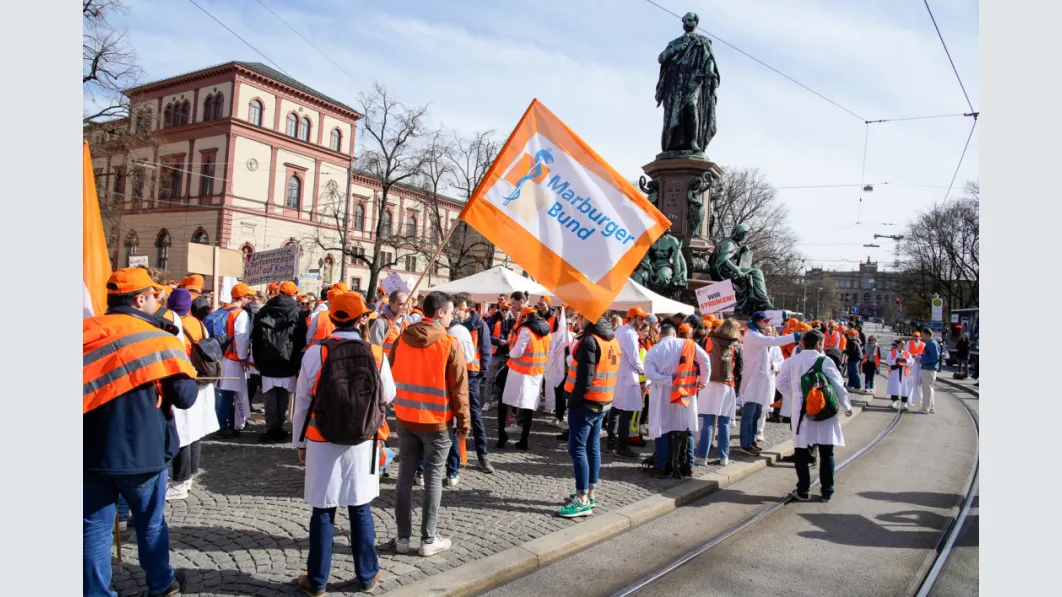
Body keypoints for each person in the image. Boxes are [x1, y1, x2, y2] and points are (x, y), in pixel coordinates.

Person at [84, 268, 199, 597]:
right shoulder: (160, 340)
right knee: (150, 523)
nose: (159, 302)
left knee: (93, 528)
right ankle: (161, 584)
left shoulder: (82, 332)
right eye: (155, 296)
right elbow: (186, 398)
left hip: (89, 450)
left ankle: (94, 591)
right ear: (140, 299)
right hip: (144, 452)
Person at [292, 292, 393, 596]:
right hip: (363, 440)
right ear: (362, 318)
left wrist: (299, 442)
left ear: (332, 316)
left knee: (323, 510)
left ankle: (318, 580)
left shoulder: (315, 353)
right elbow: (389, 395)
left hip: (322, 439)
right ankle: (367, 575)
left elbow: (302, 403)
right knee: (360, 508)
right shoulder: (376, 353)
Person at [387, 291, 470, 557]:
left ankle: (402, 538)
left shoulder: (402, 339)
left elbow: (388, 374)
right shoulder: (449, 343)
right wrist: (464, 423)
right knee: (433, 479)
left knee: (404, 477)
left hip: (405, 418)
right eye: (450, 312)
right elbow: (460, 389)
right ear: (440, 313)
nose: (452, 317)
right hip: (436, 423)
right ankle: (428, 539)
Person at [776, 330, 853, 502]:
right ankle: (827, 490)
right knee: (826, 452)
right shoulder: (825, 361)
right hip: (824, 411)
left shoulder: (791, 361)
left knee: (801, 452)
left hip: (801, 412)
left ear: (803, 344)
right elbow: (838, 384)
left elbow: (780, 383)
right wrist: (847, 406)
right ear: (819, 344)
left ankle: (803, 489)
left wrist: (795, 397)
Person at [558, 313, 620, 517]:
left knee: (577, 448)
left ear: (587, 317)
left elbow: (585, 377)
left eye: (579, 315)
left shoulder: (590, 341)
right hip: (603, 401)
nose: (576, 319)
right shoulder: (611, 339)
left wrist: (573, 402)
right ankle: (590, 493)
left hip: (586, 403)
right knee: (592, 447)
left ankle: (582, 498)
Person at [166, 289, 220, 501]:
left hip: (186, 381)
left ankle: (180, 479)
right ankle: (190, 473)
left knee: (183, 431)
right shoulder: (199, 323)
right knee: (194, 429)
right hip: (201, 382)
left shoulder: (173, 325)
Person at [644, 323, 709, 478]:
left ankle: (661, 466)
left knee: (663, 428)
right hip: (685, 392)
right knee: (686, 427)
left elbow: (649, 373)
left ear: (661, 335)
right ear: (674, 334)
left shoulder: (654, 350)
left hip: (662, 395)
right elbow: (705, 359)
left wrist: (668, 380)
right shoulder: (688, 344)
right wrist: (703, 381)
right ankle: (689, 464)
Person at [252, 281, 307, 443]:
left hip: (267, 359)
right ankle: (279, 426)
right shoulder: (297, 312)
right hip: (288, 359)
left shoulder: (263, 310)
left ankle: (272, 427)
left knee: (269, 394)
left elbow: (255, 337)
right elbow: (301, 338)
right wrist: (295, 356)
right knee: (283, 393)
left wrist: (257, 359)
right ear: (292, 295)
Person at [737, 312, 799, 456]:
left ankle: (752, 441)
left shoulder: (759, 335)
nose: (767, 323)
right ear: (757, 321)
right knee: (749, 413)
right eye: (765, 321)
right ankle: (745, 444)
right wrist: (794, 337)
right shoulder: (752, 335)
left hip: (762, 380)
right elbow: (774, 341)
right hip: (753, 380)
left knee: (757, 412)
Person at [449, 293, 495, 474]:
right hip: (454, 374)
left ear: (467, 308)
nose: (456, 312)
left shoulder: (479, 325)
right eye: (455, 309)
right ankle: (452, 455)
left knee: (475, 415)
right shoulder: (452, 325)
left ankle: (482, 455)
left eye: (459, 309)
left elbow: (486, 350)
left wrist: (482, 372)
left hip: (471, 375)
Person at [498, 306, 552, 449]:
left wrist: (510, 349)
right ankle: (524, 439)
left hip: (519, 372)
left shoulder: (526, 330)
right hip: (537, 373)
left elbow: (517, 352)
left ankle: (501, 437)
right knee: (529, 406)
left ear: (526, 317)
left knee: (504, 401)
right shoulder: (547, 330)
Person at [696, 318, 742, 466]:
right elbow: (739, 370)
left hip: (709, 383)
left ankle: (702, 457)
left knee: (708, 422)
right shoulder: (736, 345)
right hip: (727, 384)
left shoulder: (709, 340)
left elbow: (700, 361)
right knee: (724, 423)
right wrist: (738, 390)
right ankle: (724, 457)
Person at [215, 283, 257, 438]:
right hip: (234, 358)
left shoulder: (222, 310)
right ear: (242, 297)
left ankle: (229, 422)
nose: (250, 299)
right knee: (230, 393)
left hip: (223, 355)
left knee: (225, 392)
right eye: (248, 296)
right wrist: (243, 358)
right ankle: (224, 426)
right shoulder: (241, 314)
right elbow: (241, 337)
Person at [609, 307, 648, 458]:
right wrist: (645, 371)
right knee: (626, 411)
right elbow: (634, 358)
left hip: (618, 374)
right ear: (632, 318)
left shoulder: (619, 331)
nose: (642, 321)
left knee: (616, 409)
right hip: (627, 375)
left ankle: (611, 442)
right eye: (639, 318)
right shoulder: (630, 333)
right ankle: (622, 446)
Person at [369, 290, 412, 355]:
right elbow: (375, 350)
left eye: (406, 304)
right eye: (401, 304)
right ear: (391, 303)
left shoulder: (409, 320)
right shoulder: (381, 322)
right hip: (388, 363)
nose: (405, 307)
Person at [915, 328, 942, 414]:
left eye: (922, 335)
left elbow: (934, 357)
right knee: (930, 389)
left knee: (926, 389)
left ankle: (925, 408)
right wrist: (920, 355)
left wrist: (921, 359)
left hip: (928, 368)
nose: (921, 337)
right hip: (930, 368)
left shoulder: (931, 344)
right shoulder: (932, 343)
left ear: (927, 335)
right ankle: (931, 407)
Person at [887, 339, 912, 409]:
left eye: (904, 344)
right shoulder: (892, 352)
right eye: (901, 343)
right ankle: (894, 401)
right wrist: (896, 360)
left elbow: (911, 361)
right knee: (895, 386)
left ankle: (904, 403)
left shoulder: (907, 353)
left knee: (905, 388)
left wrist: (906, 360)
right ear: (897, 344)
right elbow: (888, 361)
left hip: (904, 372)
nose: (903, 345)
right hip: (895, 371)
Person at [905, 332, 926, 409]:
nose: (915, 337)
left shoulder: (923, 344)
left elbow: (924, 354)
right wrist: (911, 357)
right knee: (910, 381)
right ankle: (908, 398)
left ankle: (918, 398)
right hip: (911, 364)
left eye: (917, 336)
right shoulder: (909, 343)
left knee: (918, 383)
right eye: (914, 336)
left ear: (919, 337)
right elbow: (906, 353)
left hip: (919, 364)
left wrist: (918, 357)